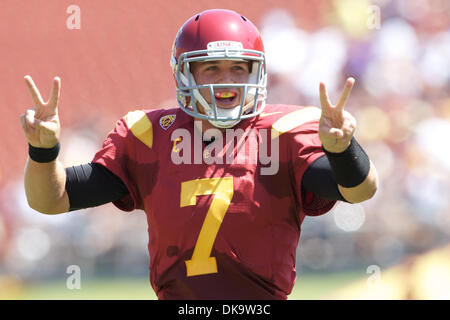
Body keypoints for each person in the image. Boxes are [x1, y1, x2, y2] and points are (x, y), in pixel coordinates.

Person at [20, 9, 378, 300]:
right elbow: (51, 201)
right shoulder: (147, 135)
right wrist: (43, 149)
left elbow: (359, 190)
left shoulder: (284, 131)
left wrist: (343, 149)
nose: (227, 81)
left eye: (239, 68)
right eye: (212, 68)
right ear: (185, 73)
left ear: (257, 72)